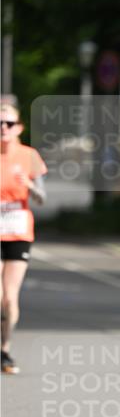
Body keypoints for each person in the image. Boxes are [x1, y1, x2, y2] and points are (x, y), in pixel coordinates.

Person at [1, 100, 47, 374]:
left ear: (19, 128)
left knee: (9, 296)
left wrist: (29, 185)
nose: (3, 128)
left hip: (19, 231)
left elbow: (42, 198)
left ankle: (5, 349)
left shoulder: (29, 156)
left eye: (8, 124)